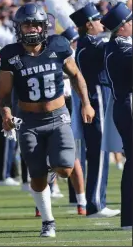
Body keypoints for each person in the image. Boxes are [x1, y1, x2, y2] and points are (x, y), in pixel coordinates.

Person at [0, 3, 95, 237]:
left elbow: (76, 75)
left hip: (58, 116)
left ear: (44, 27)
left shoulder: (58, 45)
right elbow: (2, 96)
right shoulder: (10, 55)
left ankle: (52, 170)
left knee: (65, 167)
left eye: (35, 24)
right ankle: (48, 221)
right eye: (26, 24)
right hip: (28, 121)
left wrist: (87, 103)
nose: (31, 29)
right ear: (18, 27)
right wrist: (6, 115)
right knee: (37, 177)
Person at [70, 3, 120, 218]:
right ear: (89, 25)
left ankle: (97, 201)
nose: (102, 23)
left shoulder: (88, 43)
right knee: (99, 152)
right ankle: (95, 203)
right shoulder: (91, 45)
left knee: (100, 151)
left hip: (98, 97)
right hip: (96, 98)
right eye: (98, 20)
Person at [102, 2, 132, 230]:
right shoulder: (120, 49)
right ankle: (130, 218)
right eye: (129, 21)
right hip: (128, 105)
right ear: (121, 28)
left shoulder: (121, 45)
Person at [60, 26, 87, 215]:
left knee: (73, 153)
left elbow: (76, 75)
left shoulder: (72, 54)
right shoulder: (54, 51)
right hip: (50, 104)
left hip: (66, 104)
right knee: (44, 156)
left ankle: (82, 201)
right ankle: (43, 201)